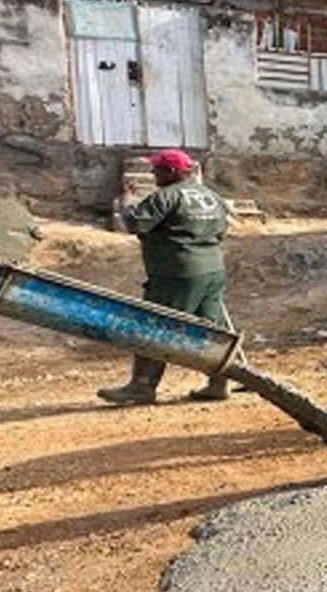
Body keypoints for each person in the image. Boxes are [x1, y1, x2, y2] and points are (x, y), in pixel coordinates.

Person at [97, 150, 231, 405]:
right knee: (210, 328)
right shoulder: (211, 196)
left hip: (177, 273)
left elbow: (135, 225)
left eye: (157, 170)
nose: (152, 174)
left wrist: (126, 202)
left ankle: (141, 387)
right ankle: (219, 381)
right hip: (213, 269)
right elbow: (221, 231)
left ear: (172, 172)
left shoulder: (165, 197)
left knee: (155, 326)